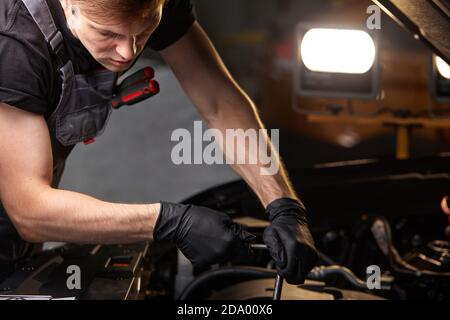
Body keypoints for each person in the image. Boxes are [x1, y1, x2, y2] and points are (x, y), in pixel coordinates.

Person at [0, 0, 317, 285]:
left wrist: (284, 206)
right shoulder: (15, 44)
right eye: (107, 34)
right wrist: (169, 222)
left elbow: (219, 103)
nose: (128, 52)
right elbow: (29, 211)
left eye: (144, 31)